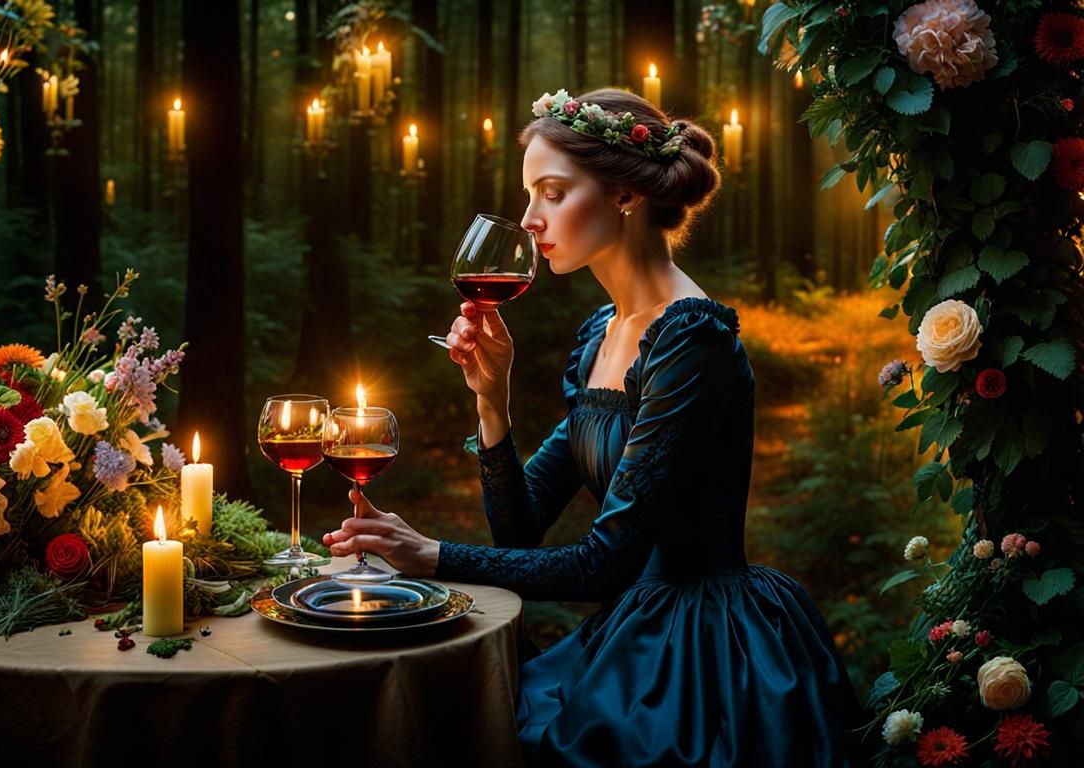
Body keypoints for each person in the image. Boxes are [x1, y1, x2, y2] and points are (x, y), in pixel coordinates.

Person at [322, 88, 860, 767]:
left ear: (626, 195)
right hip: (636, 632)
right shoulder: (601, 334)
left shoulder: (692, 337)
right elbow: (519, 530)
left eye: (551, 193)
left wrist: (430, 556)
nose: (530, 221)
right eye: (528, 197)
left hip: (707, 653)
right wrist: (493, 403)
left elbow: (607, 563)